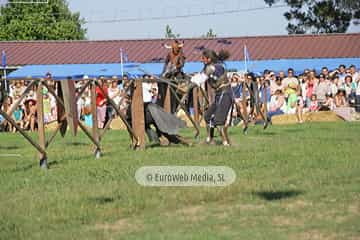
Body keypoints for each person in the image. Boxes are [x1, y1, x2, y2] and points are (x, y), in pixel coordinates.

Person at [201, 49, 233, 146]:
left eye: (203, 58)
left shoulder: (216, 67)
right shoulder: (208, 67)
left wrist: (192, 82)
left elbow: (201, 77)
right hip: (219, 95)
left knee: (218, 121)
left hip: (225, 94)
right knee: (207, 116)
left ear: (209, 59)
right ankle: (210, 139)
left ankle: (226, 143)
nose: (201, 60)